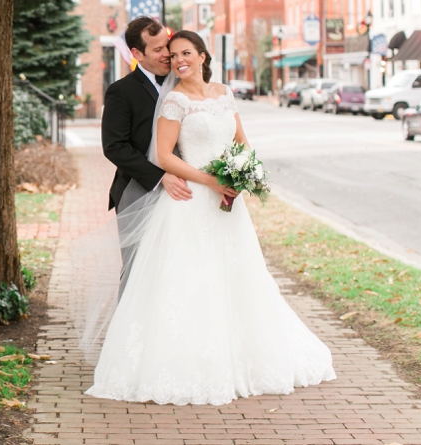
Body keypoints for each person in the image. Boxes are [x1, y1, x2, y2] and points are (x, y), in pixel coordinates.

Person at [85, 30, 335, 405]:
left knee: (237, 274)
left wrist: (244, 173)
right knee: (187, 279)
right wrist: (212, 181)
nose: (178, 59)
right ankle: (187, 359)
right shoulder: (174, 101)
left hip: (227, 203)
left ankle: (243, 356)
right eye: (173, 54)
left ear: (203, 56)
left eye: (186, 52)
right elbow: (166, 156)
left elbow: (241, 143)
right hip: (189, 199)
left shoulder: (224, 94)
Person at [100, 17, 192, 297]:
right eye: (157, 50)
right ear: (137, 54)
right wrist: (161, 177)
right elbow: (114, 146)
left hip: (186, 193)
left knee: (180, 270)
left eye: (167, 46)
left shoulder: (185, 84)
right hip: (137, 193)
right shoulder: (121, 92)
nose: (167, 54)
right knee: (138, 271)